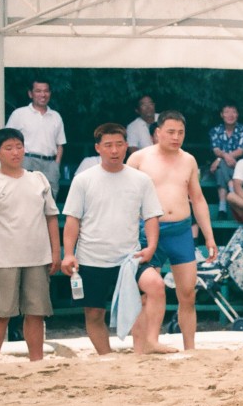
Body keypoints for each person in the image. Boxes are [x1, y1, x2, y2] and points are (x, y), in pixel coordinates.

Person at [61, 123, 171, 355]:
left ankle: (146, 346)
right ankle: (106, 356)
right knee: (93, 312)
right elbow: (72, 220)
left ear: (126, 147)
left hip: (129, 257)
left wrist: (151, 247)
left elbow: (151, 216)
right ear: (98, 148)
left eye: (119, 145)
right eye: (108, 145)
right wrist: (69, 253)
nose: (114, 151)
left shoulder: (141, 180)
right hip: (91, 257)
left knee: (155, 285)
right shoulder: (84, 180)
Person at [126, 111, 217, 350]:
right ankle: (141, 348)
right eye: (170, 132)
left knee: (188, 294)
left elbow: (197, 199)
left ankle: (189, 348)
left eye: (180, 133)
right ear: (157, 132)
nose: (176, 137)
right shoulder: (138, 159)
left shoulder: (188, 160)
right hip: (148, 231)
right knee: (145, 294)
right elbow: (124, 198)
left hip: (181, 231)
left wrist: (209, 236)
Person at [0, 128, 61, 362]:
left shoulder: (38, 179)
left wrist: (55, 251)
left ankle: (37, 361)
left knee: (36, 312)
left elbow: (51, 216)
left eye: (19, 146)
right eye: (9, 148)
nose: (15, 152)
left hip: (37, 257)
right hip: (2, 260)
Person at [5, 79, 66, 198]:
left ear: (50, 93)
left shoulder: (56, 116)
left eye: (46, 91)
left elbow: (60, 144)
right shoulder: (19, 114)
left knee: (49, 204)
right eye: (38, 91)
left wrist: (56, 165)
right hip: (26, 162)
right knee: (23, 200)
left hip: (50, 165)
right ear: (30, 94)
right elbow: (7, 140)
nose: (43, 95)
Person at [208, 103, 243, 220]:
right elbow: (216, 149)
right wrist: (222, 158)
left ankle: (222, 207)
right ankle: (231, 187)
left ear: (237, 114)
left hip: (241, 165)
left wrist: (220, 158)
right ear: (221, 115)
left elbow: (241, 151)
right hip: (225, 168)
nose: (230, 115)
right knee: (221, 166)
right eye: (227, 112)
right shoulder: (215, 130)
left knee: (220, 165)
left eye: (233, 112)